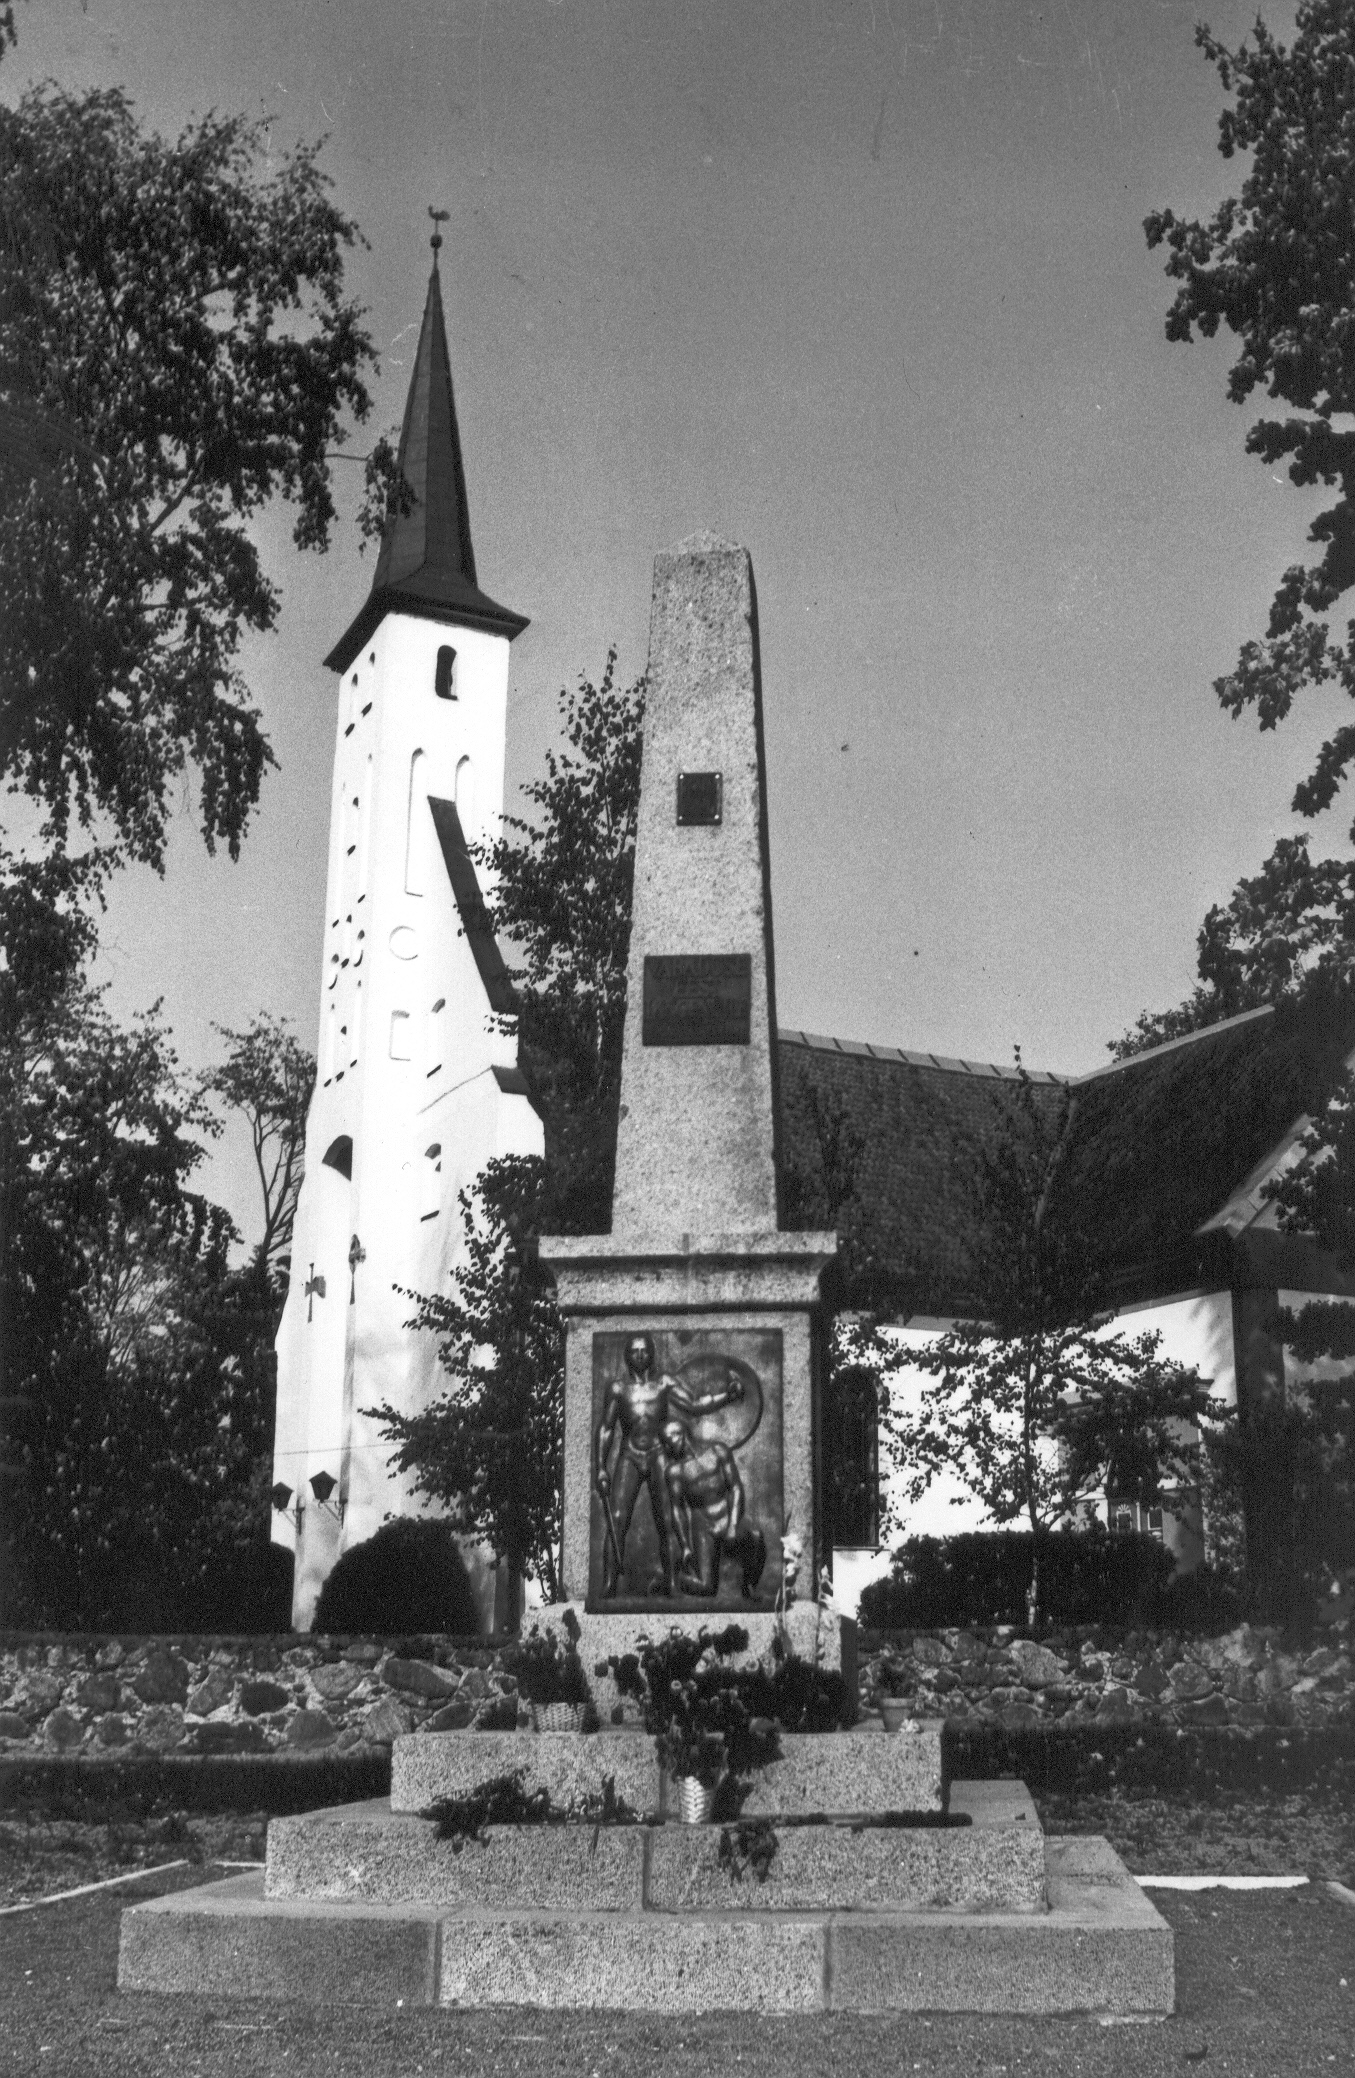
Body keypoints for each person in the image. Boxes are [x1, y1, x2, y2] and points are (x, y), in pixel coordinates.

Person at [594, 1333, 743, 1597]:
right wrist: (601, 1467)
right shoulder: (618, 1389)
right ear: (627, 1357)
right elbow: (606, 1429)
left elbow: (695, 1404)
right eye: (634, 1351)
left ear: (651, 1355)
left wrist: (726, 1397)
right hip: (629, 1453)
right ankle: (609, 1585)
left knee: (667, 1520)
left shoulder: (663, 1384)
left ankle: (673, 1583)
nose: (640, 1355)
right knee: (616, 1518)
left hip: (658, 1454)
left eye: (644, 1351)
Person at [661, 1417, 767, 1600]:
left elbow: (735, 1486)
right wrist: (685, 1545)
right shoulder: (674, 1472)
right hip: (704, 1527)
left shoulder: (717, 1451)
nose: (666, 1449)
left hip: (727, 1516)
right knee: (706, 1588)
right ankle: (669, 1579)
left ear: (679, 1435)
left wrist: (733, 1525)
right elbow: (677, 1510)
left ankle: (749, 1586)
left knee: (756, 1537)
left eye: (667, 1442)